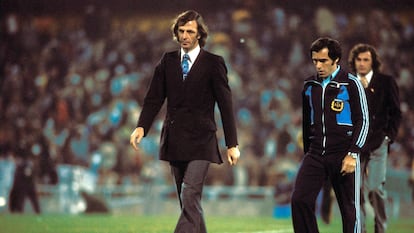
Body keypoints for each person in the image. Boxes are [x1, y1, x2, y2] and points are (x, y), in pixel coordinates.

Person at [129, 10, 240, 233]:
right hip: (175, 140)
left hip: (202, 141)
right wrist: (142, 126)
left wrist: (232, 144)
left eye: (190, 31)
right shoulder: (167, 61)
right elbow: (154, 98)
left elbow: (225, 105)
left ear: (199, 35)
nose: (185, 35)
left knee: (190, 193)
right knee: (189, 202)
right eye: (181, 31)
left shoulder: (213, 63)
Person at [291, 37, 369, 233]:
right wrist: (308, 153)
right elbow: (307, 123)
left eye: (323, 61)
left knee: (349, 209)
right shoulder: (310, 85)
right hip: (316, 154)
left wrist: (353, 153)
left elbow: (364, 120)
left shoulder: (351, 83)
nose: (318, 65)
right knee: (299, 199)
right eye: (315, 60)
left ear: (336, 60)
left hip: (344, 154)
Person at [348, 43, 401, 233]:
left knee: (374, 188)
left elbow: (396, 112)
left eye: (366, 60)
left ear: (373, 62)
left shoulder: (386, 82)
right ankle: (360, 230)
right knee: (356, 192)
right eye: (358, 60)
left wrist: (389, 137)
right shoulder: (348, 83)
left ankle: (380, 228)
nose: (361, 64)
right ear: (353, 62)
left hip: (379, 142)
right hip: (355, 144)